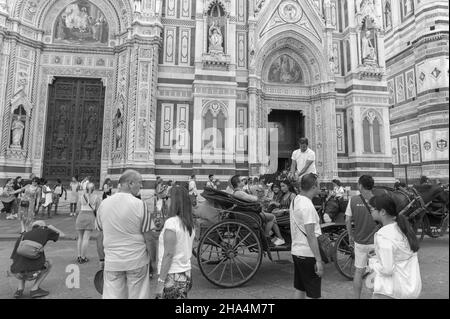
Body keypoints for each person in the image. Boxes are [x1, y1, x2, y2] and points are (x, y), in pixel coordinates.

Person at [96, 170, 152, 299]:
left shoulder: (103, 204)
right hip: (136, 261)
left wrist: (102, 259)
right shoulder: (140, 205)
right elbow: (149, 238)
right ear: (130, 183)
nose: (141, 186)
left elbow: (100, 236)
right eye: (140, 182)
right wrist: (153, 261)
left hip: (112, 261)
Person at [368, 194, 422, 299]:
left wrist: (372, 263)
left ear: (382, 212)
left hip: (390, 291)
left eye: (372, 209)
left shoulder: (384, 235)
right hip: (410, 287)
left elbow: (387, 269)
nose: (370, 211)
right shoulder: (403, 228)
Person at [156, 186, 195, 299]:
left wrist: (160, 281)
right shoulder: (189, 223)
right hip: (185, 272)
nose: (166, 200)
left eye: (167, 197)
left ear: (174, 201)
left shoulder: (171, 223)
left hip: (173, 274)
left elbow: (168, 254)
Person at [10, 220, 65, 298]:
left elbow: (13, 258)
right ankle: (35, 289)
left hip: (17, 273)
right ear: (43, 227)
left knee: (20, 260)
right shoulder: (45, 231)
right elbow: (62, 235)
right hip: (33, 273)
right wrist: (51, 227)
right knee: (49, 262)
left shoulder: (23, 236)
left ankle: (19, 290)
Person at [290, 173, 324, 299]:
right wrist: (319, 260)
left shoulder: (295, 200)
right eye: (319, 185)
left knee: (300, 289)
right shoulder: (307, 206)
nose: (320, 187)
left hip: (297, 252)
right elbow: (311, 235)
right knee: (314, 295)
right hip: (308, 254)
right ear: (314, 186)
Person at [345, 175, 379, 299]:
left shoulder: (353, 200)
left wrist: (350, 235)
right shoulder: (378, 200)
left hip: (359, 242)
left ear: (360, 185)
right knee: (375, 272)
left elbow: (348, 220)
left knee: (358, 272)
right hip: (375, 243)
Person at [231, 175, 285, 246]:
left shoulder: (238, 192)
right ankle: (267, 237)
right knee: (272, 217)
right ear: (238, 183)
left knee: (270, 216)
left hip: (249, 213)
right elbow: (253, 199)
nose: (243, 181)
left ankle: (278, 237)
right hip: (250, 215)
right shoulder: (239, 193)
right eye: (241, 180)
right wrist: (259, 197)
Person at [76, 182, 100, 264]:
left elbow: (78, 208)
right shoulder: (96, 197)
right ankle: (83, 257)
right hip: (90, 217)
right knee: (86, 238)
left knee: (80, 238)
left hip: (81, 215)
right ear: (94, 189)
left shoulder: (81, 196)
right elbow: (98, 209)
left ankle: (79, 256)